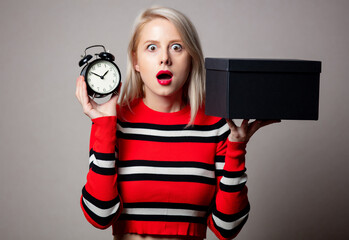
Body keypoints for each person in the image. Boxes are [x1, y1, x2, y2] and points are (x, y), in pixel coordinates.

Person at [75, 6, 280, 240]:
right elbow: (99, 216)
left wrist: (236, 147)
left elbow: (227, 227)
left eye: (176, 47)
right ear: (136, 61)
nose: (165, 58)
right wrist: (103, 125)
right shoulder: (114, 123)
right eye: (152, 48)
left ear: (191, 58)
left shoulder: (217, 125)